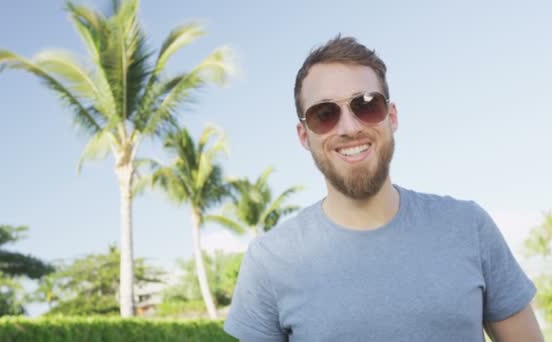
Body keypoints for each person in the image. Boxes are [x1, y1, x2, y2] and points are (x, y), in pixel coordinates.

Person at [223, 35, 544, 342]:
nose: (349, 127)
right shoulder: (270, 261)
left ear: (391, 117)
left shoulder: (469, 227)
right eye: (324, 114)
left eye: (366, 104)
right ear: (304, 136)